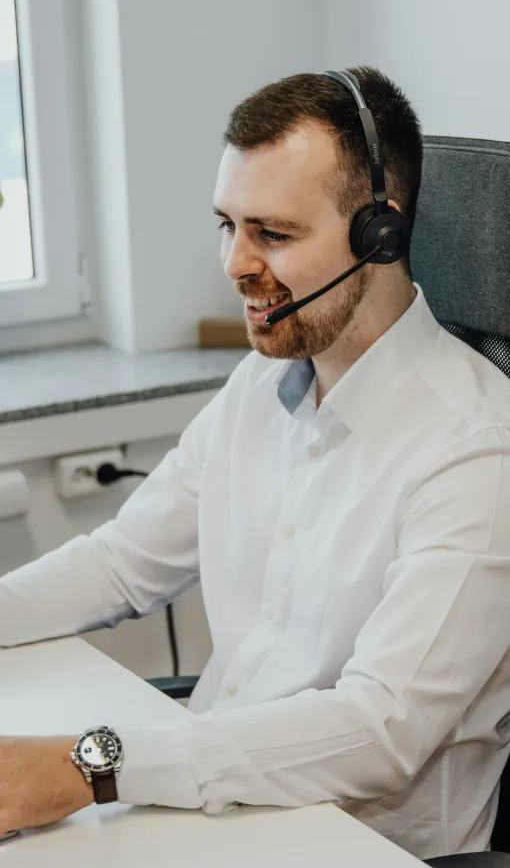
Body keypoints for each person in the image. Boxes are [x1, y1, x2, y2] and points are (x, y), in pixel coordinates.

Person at [1, 66, 510, 862]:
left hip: (349, 844)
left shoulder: (477, 449)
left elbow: (380, 730)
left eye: (272, 234)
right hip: (209, 813)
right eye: (227, 225)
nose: (236, 264)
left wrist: (89, 766)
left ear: (382, 232)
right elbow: (120, 564)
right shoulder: (260, 383)